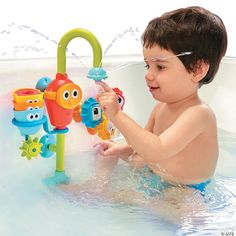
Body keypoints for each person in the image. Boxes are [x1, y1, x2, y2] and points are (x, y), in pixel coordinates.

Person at [93, 6, 227, 197]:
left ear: (197, 70)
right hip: (156, 176)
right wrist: (119, 148)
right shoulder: (161, 107)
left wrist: (117, 115)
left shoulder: (199, 114)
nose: (148, 75)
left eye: (160, 67)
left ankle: (100, 192)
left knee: (171, 205)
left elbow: (157, 150)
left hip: (187, 192)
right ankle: (98, 186)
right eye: (148, 65)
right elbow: (142, 143)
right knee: (114, 160)